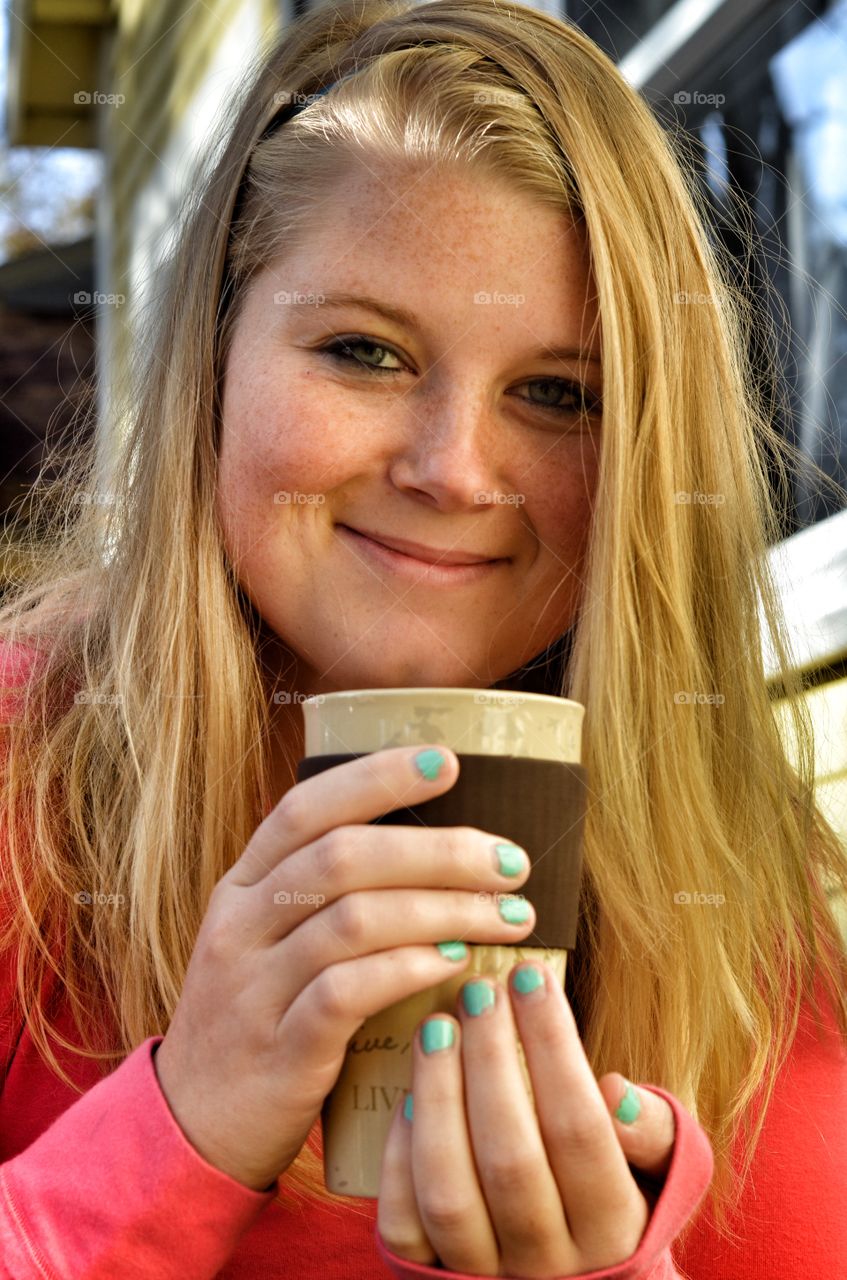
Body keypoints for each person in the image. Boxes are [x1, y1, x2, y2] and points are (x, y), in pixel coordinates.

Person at [1, 0, 845, 1276]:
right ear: (215, 353)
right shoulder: (25, 779)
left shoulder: (734, 888)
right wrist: (179, 1131)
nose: (454, 470)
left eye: (556, 394)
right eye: (365, 350)